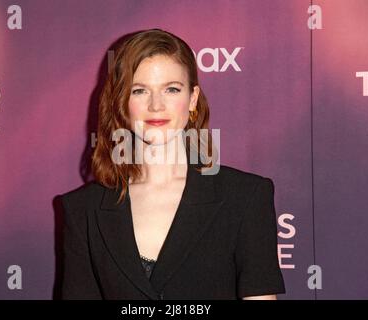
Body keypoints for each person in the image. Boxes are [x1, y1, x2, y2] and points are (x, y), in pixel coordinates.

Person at [60, 28, 285, 300]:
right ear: (122, 101)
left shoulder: (245, 197)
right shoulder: (82, 209)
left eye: (171, 89)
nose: (156, 105)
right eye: (140, 90)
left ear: (192, 99)